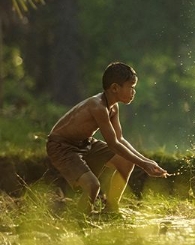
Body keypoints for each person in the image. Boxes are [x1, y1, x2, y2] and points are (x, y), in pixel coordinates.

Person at [46, 62, 168, 215]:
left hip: (85, 142)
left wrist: (146, 161)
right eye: (131, 87)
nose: (133, 92)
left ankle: (111, 209)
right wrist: (144, 165)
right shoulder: (98, 106)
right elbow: (113, 144)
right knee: (93, 186)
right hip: (62, 146)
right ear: (115, 88)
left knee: (126, 162)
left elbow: (119, 138)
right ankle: (80, 219)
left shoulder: (113, 107)